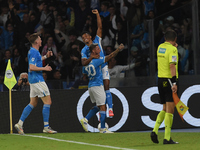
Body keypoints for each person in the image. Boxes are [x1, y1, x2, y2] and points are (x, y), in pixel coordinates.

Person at [14, 33, 57, 135]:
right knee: (48, 102)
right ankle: (46, 127)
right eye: (40, 39)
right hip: (38, 80)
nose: (41, 40)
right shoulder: (34, 52)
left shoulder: (34, 52)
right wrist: (44, 68)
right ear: (36, 41)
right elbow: (32, 67)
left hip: (33, 80)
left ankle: (19, 124)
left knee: (33, 103)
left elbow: (36, 61)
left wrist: (46, 56)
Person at [80, 43, 124, 133]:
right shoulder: (98, 60)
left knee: (98, 106)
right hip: (97, 85)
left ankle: (86, 119)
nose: (100, 50)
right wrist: (118, 49)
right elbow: (110, 56)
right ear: (93, 51)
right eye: (97, 49)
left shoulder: (87, 62)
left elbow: (84, 73)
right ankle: (103, 128)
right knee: (103, 107)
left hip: (90, 86)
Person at [81, 9, 114, 118]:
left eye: (86, 35)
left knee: (107, 86)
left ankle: (110, 109)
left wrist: (97, 15)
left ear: (90, 36)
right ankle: (102, 113)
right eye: (83, 37)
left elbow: (100, 27)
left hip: (103, 66)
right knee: (100, 95)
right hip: (95, 71)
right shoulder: (84, 50)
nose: (85, 37)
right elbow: (84, 63)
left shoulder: (97, 41)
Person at [150, 30, 179, 144]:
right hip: (169, 80)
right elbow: (172, 65)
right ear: (175, 39)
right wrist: (174, 82)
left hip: (160, 80)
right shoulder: (173, 49)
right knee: (170, 110)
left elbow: (167, 52)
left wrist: (174, 47)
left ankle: (155, 130)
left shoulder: (160, 47)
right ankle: (167, 138)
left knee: (164, 108)